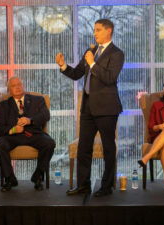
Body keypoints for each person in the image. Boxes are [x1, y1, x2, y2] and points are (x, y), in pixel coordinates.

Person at [56, 18, 124, 197]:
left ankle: (107, 186)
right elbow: (77, 73)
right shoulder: (90, 51)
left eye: (98, 30)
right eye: (94, 30)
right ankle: (83, 185)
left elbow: (109, 78)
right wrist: (63, 66)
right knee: (83, 148)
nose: (95, 33)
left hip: (107, 109)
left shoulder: (117, 53)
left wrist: (93, 63)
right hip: (87, 108)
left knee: (108, 148)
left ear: (109, 31)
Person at [0, 77, 55, 192]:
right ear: (9, 90)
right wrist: (14, 129)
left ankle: (38, 176)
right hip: (12, 137)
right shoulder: (3, 105)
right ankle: (9, 178)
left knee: (50, 143)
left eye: (19, 84)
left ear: (23, 86)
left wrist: (30, 120)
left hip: (34, 134)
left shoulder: (38, 100)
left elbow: (46, 115)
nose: (17, 87)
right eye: (13, 85)